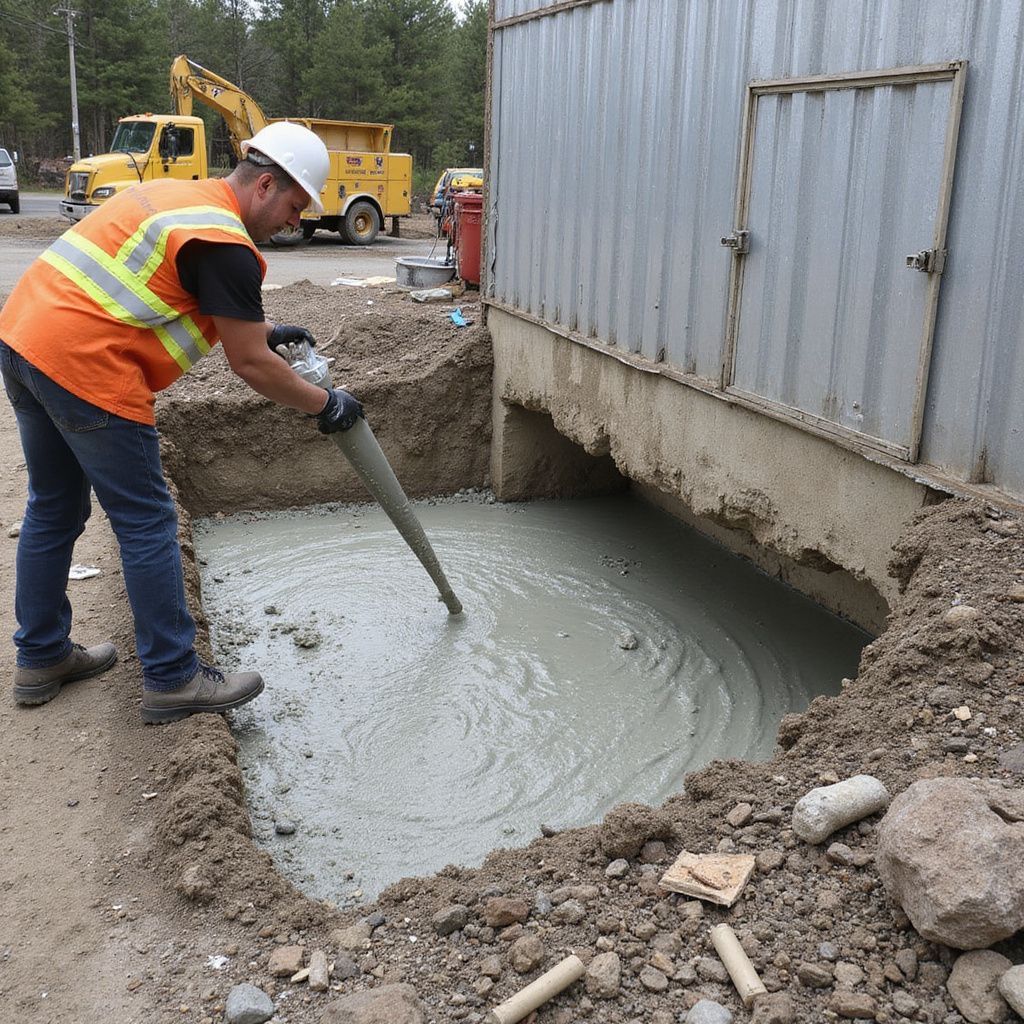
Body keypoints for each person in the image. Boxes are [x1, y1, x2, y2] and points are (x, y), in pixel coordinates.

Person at [0, 121, 364, 724]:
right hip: (84, 363)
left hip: (24, 339)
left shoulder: (185, 198)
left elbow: (167, 294)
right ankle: (173, 678)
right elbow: (249, 365)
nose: (294, 222)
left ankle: (41, 656)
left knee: (54, 506)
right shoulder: (227, 245)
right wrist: (325, 405)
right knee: (147, 519)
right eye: (294, 207)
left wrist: (270, 331)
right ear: (266, 184)